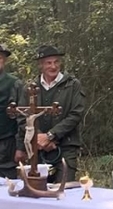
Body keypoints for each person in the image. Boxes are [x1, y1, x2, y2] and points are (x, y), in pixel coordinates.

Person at [17, 45, 85, 184]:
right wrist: (38, 138)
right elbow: (23, 117)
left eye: (56, 62)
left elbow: (76, 115)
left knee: (64, 190)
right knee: (37, 190)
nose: (53, 66)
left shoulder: (72, 85)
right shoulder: (30, 88)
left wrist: (50, 136)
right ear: (40, 65)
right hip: (37, 151)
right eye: (48, 63)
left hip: (65, 149)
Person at [0, 44, 24, 179]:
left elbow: (22, 118)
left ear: (4, 60)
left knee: (8, 185)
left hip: (7, 145)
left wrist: (20, 147)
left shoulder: (14, 83)